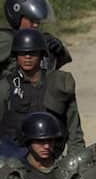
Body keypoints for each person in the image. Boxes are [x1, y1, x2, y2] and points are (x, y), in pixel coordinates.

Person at [0, 29, 83, 157]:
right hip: (15, 162)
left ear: (41, 54)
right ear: (16, 56)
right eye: (22, 53)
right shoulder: (6, 86)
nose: (27, 57)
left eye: (32, 53)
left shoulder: (58, 83)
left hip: (52, 159)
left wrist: (76, 160)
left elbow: (74, 130)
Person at [0, 0, 71, 75]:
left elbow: (56, 66)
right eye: (31, 20)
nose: (36, 25)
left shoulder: (44, 39)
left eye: (37, 21)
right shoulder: (7, 39)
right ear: (18, 18)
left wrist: (60, 51)